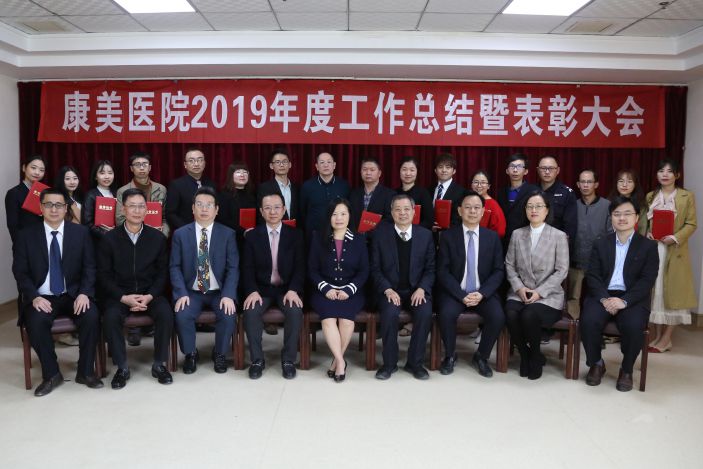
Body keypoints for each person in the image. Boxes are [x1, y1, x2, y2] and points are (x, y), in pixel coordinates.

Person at [12, 188, 102, 396]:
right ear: (41, 207)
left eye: (59, 205)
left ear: (66, 208)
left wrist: (84, 293)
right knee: (36, 321)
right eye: (49, 205)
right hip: (42, 296)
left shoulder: (80, 233)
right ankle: (51, 374)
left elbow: (90, 267)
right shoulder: (26, 236)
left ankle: (85, 371)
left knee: (91, 315)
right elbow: (20, 272)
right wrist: (34, 297)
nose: (54, 209)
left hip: (73, 294)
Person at [580, 196, 659, 392]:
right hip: (604, 294)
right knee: (588, 320)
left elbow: (647, 280)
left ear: (637, 218)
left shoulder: (648, 246)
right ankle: (596, 363)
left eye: (627, 214)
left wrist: (624, 301)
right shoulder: (601, 243)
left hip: (632, 297)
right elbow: (593, 275)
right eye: (617, 214)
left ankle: (626, 369)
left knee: (633, 325)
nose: (622, 218)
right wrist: (605, 299)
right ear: (611, 217)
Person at [98, 188, 174, 389]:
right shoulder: (109, 239)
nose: (137, 211)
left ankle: (159, 364)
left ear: (147, 210)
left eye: (141, 206)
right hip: (121, 294)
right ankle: (122, 368)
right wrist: (123, 297)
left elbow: (162, 274)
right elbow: (104, 275)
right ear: (123, 209)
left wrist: (149, 296)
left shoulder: (157, 238)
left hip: (150, 293)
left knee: (165, 313)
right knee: (111, 317)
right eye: (132, 206)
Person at [437, 191, 506, 378]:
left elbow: (499, 271)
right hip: (456, 292)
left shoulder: (492, 238)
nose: (472, 211)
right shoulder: (448, 236)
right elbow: (442, 271)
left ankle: (481, 356)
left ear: (483, 212)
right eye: (468, 207)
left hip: (482, 292)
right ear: (460, 211)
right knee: (446, 313)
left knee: (498, 316)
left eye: (477, 208)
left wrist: (482, 293)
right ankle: (450, 355)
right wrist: (461, 295)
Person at [170, 187, 238, 374]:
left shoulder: (228, 234)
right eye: (199, 204)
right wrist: (181, 293)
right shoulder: (180, 234)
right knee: (182, 313)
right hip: (192, 291)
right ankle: (190, 353)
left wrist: (228, 295)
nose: (204, 209)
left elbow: (233, 268)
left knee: (228, 313)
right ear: (193, 208)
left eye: (209, 205)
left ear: (217, 210)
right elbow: (174, 266)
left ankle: (220, 353)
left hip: (219, 291)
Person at [504, 191, 569, 380]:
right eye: (530, 206)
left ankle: (534, 355)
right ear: (525, 210)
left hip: (548, 294)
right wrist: (519, 288)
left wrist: (539, 292)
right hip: (521, 291)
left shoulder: (558, 236)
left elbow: (562, 270)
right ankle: (526, 355)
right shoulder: (517, 234)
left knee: (529, 314)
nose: (534, 210)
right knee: (510, 313)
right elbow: (509, 265)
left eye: (539, 206)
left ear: (547, 210)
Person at [371, 194, 435, 380]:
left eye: (407, 209)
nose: (402, 213)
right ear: (392, 213)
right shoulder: (380, 235)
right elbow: (375, 268)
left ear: (414, 212)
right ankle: (389, 364)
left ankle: (415, 363)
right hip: (391, 290)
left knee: (424, 313)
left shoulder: (425, 235)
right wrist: (387, 289)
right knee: (389, 314)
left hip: (417, 290)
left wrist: (422, 288)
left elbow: (431, 269)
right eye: (397, 209)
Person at [241, 193, 305, 379]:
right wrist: (252, 291)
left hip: (287, 289)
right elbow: (247, 268)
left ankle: (288, 360)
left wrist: (293, 290)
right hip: (262, 290)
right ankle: (257, 360)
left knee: (295, 311)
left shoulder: (296, 235)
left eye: (277, 207)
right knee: (251, 311)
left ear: (284, 210)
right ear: (261, 212)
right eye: (268, 208)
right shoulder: (252, 236)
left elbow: (301, 267)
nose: (273, 211)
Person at [308, 199, 369, 382]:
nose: (339, 218)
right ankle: (341, 362)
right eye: (334, 214)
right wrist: (326, 288)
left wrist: (349, 290)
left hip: (351, 291)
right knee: (328, 319)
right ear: (329, 217)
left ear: (350, 216)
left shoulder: (359, 239)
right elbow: (312, 270)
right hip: (324, 290)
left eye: (343, 214)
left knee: (346, 320)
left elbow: (364, 271)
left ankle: (336, 361)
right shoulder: (318, 238)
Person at [643, 159, 698, 352]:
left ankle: (666, 338)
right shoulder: (651, 196)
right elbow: (645, 222)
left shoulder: (686, 196)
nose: (665, 174)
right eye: (661, 171)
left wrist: (674, 237)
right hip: (654, 249)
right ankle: (658, 336)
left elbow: (691, 224)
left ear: (677, 175)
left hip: (675, 251)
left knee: (673, 294)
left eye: (669, 171)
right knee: (656, 292)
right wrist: (648, 233)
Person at [567, 169, 613, 319]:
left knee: (598, 296)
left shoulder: (607, 206)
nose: (585, 185)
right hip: (576, 260)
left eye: (589, 182)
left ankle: (594, 324)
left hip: (598, 262)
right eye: (582, 182)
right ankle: (573, 326)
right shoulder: (572, 205)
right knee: (573, 297)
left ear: (596, 184)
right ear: (578, 184)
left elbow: (611, 234)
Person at [115, 151, 169, 237]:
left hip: (157, 236)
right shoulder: (123, 191)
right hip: (133, 236)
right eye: (137, 165)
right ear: (131, 168)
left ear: (150, 167)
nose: (141, 168)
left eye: (145, 164)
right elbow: (120, 219)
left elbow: (165, 218)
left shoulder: (161, 189)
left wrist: (162, 235)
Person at [166, 147, 216, 231]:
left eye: (200, 160)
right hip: (186, 231)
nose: (196, 164)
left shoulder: (212, 185)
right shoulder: (176, 185)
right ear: (185, 165)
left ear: (204, 163)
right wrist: (188, 229)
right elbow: (170, 213)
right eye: (191, 161)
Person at [300, 151, 350, 236]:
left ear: (334, 165)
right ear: (317, 166)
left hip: (338, 233)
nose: (326, 165)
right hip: (314, 233)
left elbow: (348, 211)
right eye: (322, 162)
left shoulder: (344, 186)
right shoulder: (307, 186)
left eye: (329, 162)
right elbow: (302, 212)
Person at [497, 153, 539, 249]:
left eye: (519, 167)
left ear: (526, 171)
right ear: (507, 170)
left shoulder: (533, 191)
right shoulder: (501, 192)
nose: (515, 170)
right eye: (512, 166)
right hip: (504, 240)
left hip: (526, 239)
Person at [536, 156, 577, 250]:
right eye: (543, 168)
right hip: (533, 242)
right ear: (538, 170)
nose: (547, 171)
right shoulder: (531, 190)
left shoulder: (567, 193)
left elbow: (570, 226)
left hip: (556, 244)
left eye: (551, 168)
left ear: (557, 170)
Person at [5, 154, 46, 246]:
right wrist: (22, 245)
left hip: (44, 242)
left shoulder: (45, 193)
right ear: (24, 168)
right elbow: (12, 225)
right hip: (25, 244)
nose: (37, 172)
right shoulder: (14, 193)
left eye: (41, 170)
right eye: (33, 168)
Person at [348, 156, 395, 232]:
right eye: (365, 169)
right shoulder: (353, 194)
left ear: (379, 173)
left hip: (379, 236)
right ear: (360, 172)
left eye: (372, 170)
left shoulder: (389, 195)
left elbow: (390, 219)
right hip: (356, 236)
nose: (368, 173)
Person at [217, 161, 257, 245]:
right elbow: (223, 219)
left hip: (252, 238)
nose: (242, 175)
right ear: (231, 175)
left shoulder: (253, 194)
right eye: (238, 172)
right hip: (231, 239)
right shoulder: (223, 195)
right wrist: (243, 231)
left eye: (245, 172)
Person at [256, 148, 300, 222]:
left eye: (284, 161)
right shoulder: (264, 188)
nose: (281, 165)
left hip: (295, 228)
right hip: (273, 227)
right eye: (277, 162)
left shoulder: (297, 188)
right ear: (271, 166)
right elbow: (261, 214)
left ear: (290, 164)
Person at [82, 159, 118, 241]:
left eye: (110, 173)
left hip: (117, 238)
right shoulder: (90, 195)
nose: (107, 176)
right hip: (99, 240)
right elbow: (87, 223)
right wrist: (106, 234)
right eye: (102, 173)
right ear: (95, 176)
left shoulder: (117, 193)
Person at [396, 156, 433, 230]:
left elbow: (428, 221)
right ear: (399, 171)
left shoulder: (423, 193)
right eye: (404, 169)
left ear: (417, 172)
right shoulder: (393, 193)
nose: (408, 173)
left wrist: (410, 231)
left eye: (412, 170)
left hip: (417, 233)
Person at [608, 169, 647, 235]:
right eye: (621, 181)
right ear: (616, 184)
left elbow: (642, 228)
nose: (624, 185)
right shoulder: (608, 203)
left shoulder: (641, 205)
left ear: (635, 184)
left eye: (629, 181)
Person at [431, 152, 464, 228]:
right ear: (435, 170)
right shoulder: (429, 190)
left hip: (451, 232)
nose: (444, 170)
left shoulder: (461, 192)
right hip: (430, 232)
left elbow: (460, 217)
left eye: (448, 167)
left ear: (454, 171)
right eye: (440, 167)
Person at [470, 170, 506, 238]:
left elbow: (500, 231)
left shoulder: (493, 205)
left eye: (483, 182)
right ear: (471, 185)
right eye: (476, 182)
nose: (479, 185)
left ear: (488, 186)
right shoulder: (466, 202)